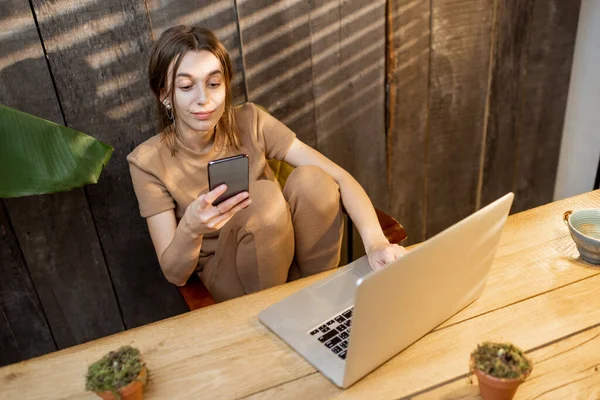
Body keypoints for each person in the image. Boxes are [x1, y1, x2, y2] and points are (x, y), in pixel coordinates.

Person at [127, 25, 406, 302]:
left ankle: (321, 301)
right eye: (186, 86)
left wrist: (376, 243)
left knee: (315, 179)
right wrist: (190, 227)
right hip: (234, 281)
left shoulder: (250, 121)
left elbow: (340, 178)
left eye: (214, 83)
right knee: (263, 197)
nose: (204, 99)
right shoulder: (148, 163)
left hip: (294, 259)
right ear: (164, 95)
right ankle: (282, 313)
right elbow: (175, 274)